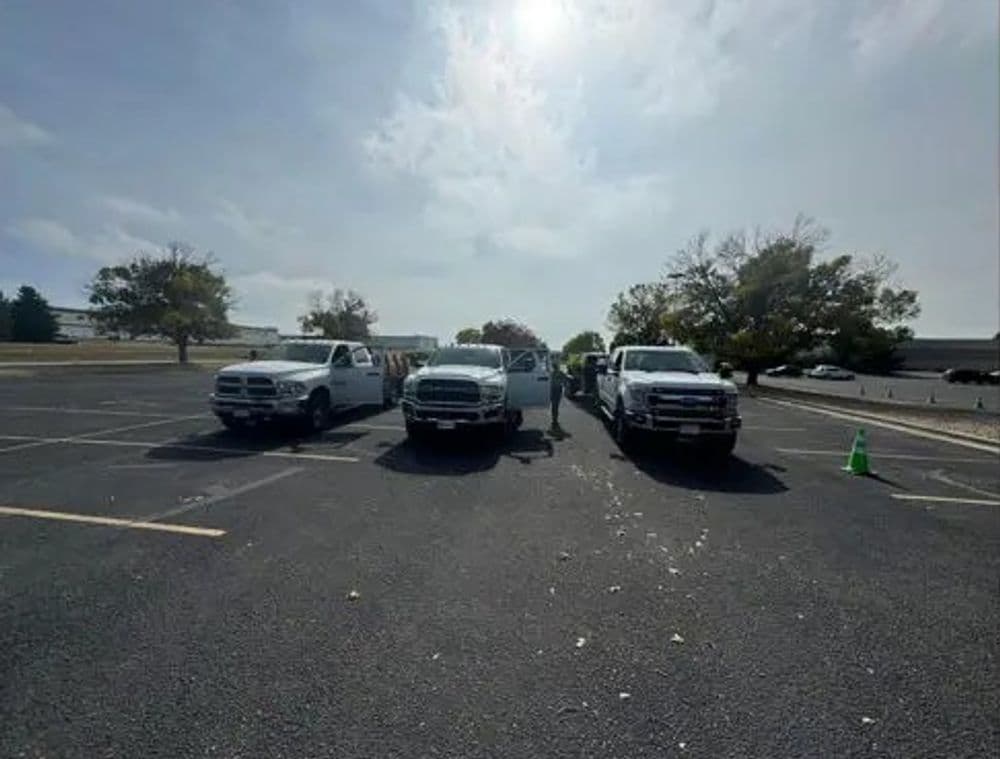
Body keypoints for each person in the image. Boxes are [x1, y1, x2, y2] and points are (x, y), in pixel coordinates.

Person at [550, 358, 566, 430]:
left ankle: (554, 420)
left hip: (554, 389)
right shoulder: (560, 373)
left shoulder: (551, 373)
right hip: (557, 389)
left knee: (554, 406)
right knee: (555, 406)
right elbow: (564, 380)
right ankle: (555, 420)